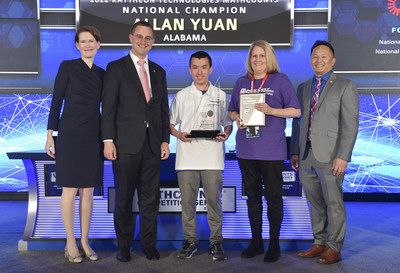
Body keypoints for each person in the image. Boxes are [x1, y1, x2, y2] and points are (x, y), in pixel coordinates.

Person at [101, 21, 170, 262]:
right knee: (123, 199)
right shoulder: (116, 68)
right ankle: (124, 247)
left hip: (152, 146)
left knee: (150, 200)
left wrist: (164, 140)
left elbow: (163, 110)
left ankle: (149, 246)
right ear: (131, 38)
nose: (144, 41)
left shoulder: (158, 72)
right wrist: (108, 140)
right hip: (124, 146)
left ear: (153, 41)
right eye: (139, 36)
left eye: (148, 37)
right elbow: (108, 108)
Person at [228, 40, 301, 263]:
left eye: (262, 55)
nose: (257, 60)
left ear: (269, 58)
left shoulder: (281, 80)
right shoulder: (242, 81)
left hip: (271, 151)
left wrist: (271, 110)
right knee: (252, 198)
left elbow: (296, 111)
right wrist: (238, 117)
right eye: (254, 56)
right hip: (246, 149)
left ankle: (274, 244)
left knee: (273, 198)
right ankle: (256, 241)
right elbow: (231, 110)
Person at [290, 40, 359, 264]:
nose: (319, 60)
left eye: (324, 56)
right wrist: (294, 151)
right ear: (310, 60)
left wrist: (343, 156)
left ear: (332, 61)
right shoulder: (303, 87)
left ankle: (334, 247)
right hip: (306, 156)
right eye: (315, 56)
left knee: (333, 203)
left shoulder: (345, 86)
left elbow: (350, 124)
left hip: (331, 157)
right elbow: (297, 123)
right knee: (315, 203)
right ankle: (319, 242)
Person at [45, 26, 104, 263]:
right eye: (83, 41)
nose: (88, 45)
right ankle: (70, 242)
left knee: (88, 191)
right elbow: (56, 100)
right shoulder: (67, 66)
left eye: (92, 41)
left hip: (93, 135)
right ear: (77, 45)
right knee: (69, 189)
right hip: (69, 134)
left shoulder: (102, 73)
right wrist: (50, 134)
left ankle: (84, 241)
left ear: (99, 44)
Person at [169, 51, 233, 261]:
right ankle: (190, 241)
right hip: (187, 157)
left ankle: (216, 242)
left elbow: (227, 123)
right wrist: (178, 134)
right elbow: (170, 123)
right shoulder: (181, 95)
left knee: (214, 203)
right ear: (190, 69)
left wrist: (226, 134)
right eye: (195, 67)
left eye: (203, 67)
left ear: (210, 69)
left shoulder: (221, 95)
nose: (199, 71)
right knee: (187, 204)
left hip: (213, 157)